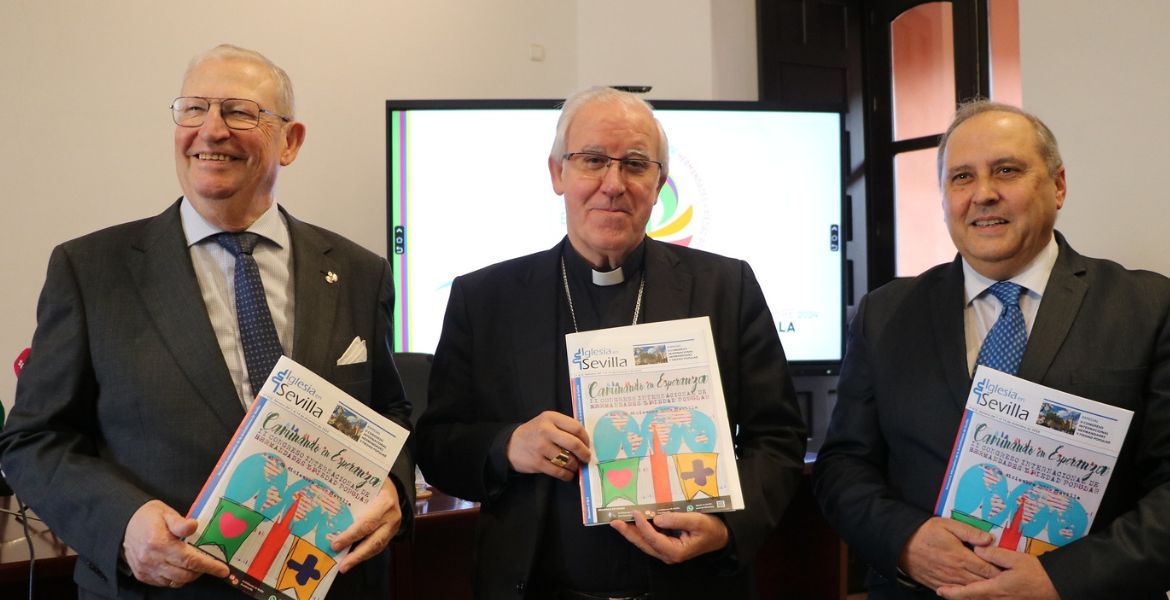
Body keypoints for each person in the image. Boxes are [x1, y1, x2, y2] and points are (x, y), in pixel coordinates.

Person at [0, 44, 414, 599]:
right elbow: (34, 440)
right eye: (193, 109)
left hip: (327, 584)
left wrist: (393, 488)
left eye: (240, 112)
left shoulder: (360, 272)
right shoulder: (90, 270)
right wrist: (124, 524)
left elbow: (388, 412)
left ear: (289, 141)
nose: (211, 130)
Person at [413, 86, 807, 599]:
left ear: (659, 183)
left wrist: (727, 528)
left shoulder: (726, 288)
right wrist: (508, 445)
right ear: (558, 173)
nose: (614, 185)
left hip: (691, 587)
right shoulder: (485, 298)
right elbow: (438, 443)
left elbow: (777, 437)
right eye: (593, 160)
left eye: (636, 165)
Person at [813, 99, 1170, 599]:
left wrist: (1060, 580)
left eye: (1007, 170)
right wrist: (907, 542)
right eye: (962, 177)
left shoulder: (1147, 306)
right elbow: (843, 467)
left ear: (1058, 185)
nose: (983, 194)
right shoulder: (885, 314)